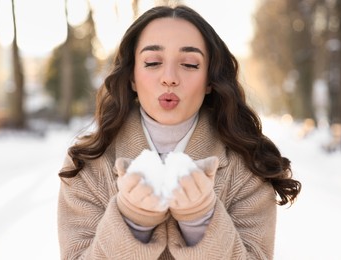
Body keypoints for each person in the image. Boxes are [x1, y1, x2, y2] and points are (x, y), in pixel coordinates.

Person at [57, 4, 301, 259]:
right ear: (131, 77)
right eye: (152, 62)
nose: (170, 78)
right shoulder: (87, 164)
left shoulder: (249, 163)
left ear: (210, 80)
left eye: (189, 64)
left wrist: (202, 221)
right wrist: (132, 222)